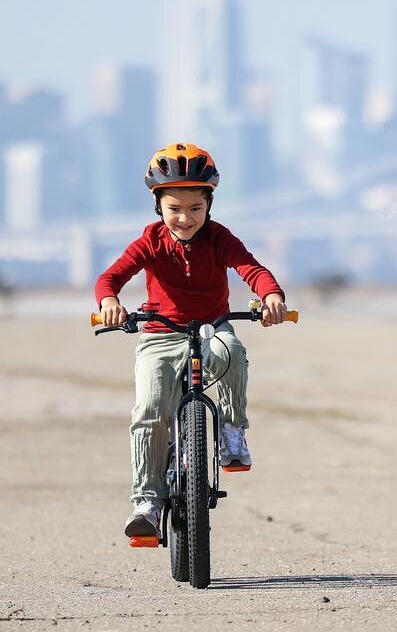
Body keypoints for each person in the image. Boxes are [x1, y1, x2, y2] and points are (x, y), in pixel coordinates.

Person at [94, 142, 287, 541]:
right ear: (158, 207)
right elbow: (109, 278)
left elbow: (250, 268)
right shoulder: (150, 241)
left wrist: (271, 296)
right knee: (149, 410)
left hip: (211, 327)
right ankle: (146, 502)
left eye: (195, 209)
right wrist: (110, 302)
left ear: (209, 205)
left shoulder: (219, 238)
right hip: (160, 334)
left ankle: (232, 432)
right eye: (174, 209)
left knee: (232, 352)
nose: (185, 218)